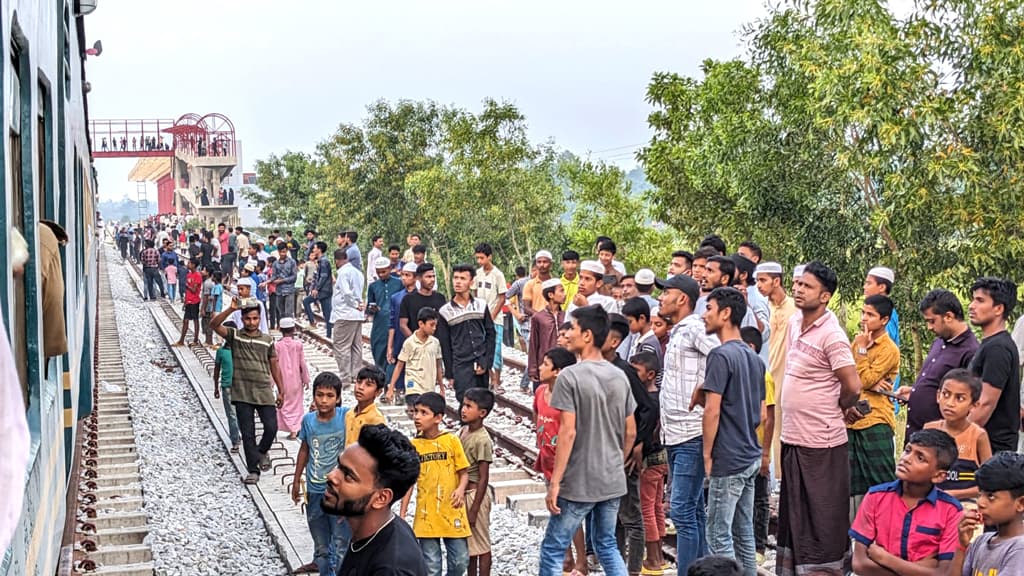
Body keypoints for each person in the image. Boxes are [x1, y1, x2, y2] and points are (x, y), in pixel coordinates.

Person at [776, 261, 862, 576]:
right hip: (794, 436)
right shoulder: (795, 323)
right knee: (796, 514)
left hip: (822, 441)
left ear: (825, 296)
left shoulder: (832, 334)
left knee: (821, 516)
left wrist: (840, 405)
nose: (798, 290)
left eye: (807, 286)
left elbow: (853, 385)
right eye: (797, 284)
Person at [539, 305, 637, 576]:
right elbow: (630, 430)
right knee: (607, 544)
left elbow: (568, 432)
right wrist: (617, 459)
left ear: (588, 335)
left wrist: (555, 481)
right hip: (611, 476)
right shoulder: (619, 375)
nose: (567, 333)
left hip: (580, 479)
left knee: (553, 546)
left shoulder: (570, 376)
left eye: (572, 328)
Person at [698, 287, 764, 575]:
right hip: (750, 453)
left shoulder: (720, 356)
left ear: (725, 314)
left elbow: (712, 410)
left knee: (718, 535)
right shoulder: (754, 359)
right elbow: (760, 414)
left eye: (709, 308)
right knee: (743, 532)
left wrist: (708, 454)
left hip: (729, 455)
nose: (704, 315)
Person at [656, 273, 718, 572]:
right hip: (676, 432)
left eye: (666, 293)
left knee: (680, 511)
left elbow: (723, 355)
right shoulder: (678, 331)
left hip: (692, 431)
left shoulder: (695, 328)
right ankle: (705, 569)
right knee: (693, 510)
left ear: (682, 298)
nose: (660, 298)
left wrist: (705, 387)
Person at [849, 429, 962, 576]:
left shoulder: (951, 510)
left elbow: (944, 573)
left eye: (920, 458)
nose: (906, 459)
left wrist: (885, 558)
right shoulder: (875, 497)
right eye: (907, 450)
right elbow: (860, 564)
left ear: (939, 476)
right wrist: (922, 569)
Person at [325, 422, 427, 576]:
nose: (331, 476)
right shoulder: (374, 528)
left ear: (381, 498)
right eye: (338, 466)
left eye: (348, 475)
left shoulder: (390, 569)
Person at [209, 297, 285, 484]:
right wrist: (230, 308)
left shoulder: (267, 340)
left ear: (260, 319)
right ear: (242, 319)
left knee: (271, 427)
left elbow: (274, 365)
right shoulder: (235, 336)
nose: (252, 322)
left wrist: (281, 390)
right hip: (242, 392)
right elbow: (214, 324)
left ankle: (260, 453)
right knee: (248, 432)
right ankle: (253, 471)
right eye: (248, 319)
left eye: (255, 318)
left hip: (263, 391)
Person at [605, 314, 656, 576]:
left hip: (623, 454)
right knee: (613, 515)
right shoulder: (601, 366)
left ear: (614, 341)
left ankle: (633, 569)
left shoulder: (624, 371)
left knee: (631, 516)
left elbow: (648, 408)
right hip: (607, 452)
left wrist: (638, 444)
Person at [400, 392, 471, 576]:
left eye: (424, 412)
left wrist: (461, 490)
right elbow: (410, 482)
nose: (417, 417)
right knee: (431, 566)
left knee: (460, 560)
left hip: (452, 509)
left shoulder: (451, 441)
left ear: (438, 417)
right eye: (416, 411)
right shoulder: (414, 445)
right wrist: (403, 511)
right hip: (426, 515)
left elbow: (464, 472)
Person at [292, 372, 352, 575]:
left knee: (341, 541)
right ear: (313, 396)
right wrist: (296, 480)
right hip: (314, 489)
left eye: (329, 395)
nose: (324, 400)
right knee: (321, 544)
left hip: (338, 493)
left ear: (338, 398)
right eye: (319, 395)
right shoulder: (308, 420)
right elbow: (304, 449)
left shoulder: (346, 417)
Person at [898, 289, 979, 438]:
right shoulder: (938, 342)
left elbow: (966, 397)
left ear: (948, 316)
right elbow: (938, 383)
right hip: (916, 432)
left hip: (939, 440)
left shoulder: (970, 351)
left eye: (932, 321)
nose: (929, 327)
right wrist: (915, 392)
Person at [847, 295, 901, 518]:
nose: (863, 319)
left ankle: (889, 523)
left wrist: (861, 353)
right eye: (863, 313)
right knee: (853, 481)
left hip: (876, 419)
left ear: (885, 319)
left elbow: (864, 381)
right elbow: (848, 374)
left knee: (881, 477)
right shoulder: (858, 341)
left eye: (870, 315)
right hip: (852, 419)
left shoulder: (888, 349)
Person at [967, 277, 1020, 454]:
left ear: (998, 308)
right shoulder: (990, 344)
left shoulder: (998, 348)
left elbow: (985, 403)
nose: (971, 306)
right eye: (973, 299)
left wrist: (957, 437)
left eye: (980, 300)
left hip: (992, 449)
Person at [951, 451, 1024, 576]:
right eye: (980, 494)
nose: (980, 502)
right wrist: (962, 546)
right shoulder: (981, 541)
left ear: (1021, 503)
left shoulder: (1019, 549)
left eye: (991, 496)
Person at [924, 369, 992, 501]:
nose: (950, 403)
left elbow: (989, 484)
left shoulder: (978, 436)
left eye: (959, 398)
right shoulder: (929, 429)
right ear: (938, 396)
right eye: (946, 394)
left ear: (974, 405)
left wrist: (953, 495)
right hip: (930, 501)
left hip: (965, 505)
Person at [628, 351, 668, 574]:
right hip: (662, 459)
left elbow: (644, 434)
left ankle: (652, 558)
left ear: (650, 374)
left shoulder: (647, 402)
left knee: (646, 509)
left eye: (637, 372)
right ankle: (659, 555)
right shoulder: (659, 397)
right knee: (656, 506)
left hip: (649, 462)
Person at [754, 261, 795, 477]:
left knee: (780, 426)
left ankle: (779, 479)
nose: (759, 285)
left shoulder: (795, 309)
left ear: (776, 281)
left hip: (786, 376)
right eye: (757, 281)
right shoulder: (763, 308)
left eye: (763, 280)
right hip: (765, 375)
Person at [739, 327, 774, 566]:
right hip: (740, 447)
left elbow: (769, 416)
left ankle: (759, 545)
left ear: (750, 347)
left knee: (760, 499)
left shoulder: (764, 376)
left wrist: (765, 453)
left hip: (757, 446)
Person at [438, 264, 496, 404]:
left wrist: (487, 362)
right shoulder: (445, 311)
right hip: (461, 365)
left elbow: (490, 334)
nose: (458, 282)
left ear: (471, 283)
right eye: (456, 278)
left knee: (481, 403)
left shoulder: (481, 305)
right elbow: (445, 345)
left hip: (481, 361)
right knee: (465, 402)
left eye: (463, 278)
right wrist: (450, 373)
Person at [459, 388, 495, 576]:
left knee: (481, 543)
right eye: (464, 405)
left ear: (482, 413)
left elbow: (484, 477)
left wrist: (474, 509)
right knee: (470, 546)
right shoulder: (464, 430)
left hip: (475, 495)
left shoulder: (482, 439)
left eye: (469, 406)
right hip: (464, 494)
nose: (463, 410)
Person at [387, 307, 444, 410]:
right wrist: (391, 388)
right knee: (417, 409)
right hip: (413, 384)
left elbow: (438, 366)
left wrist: (441, 388)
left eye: (435, 325)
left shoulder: (435, 343)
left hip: (429, 386)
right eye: (431, 325)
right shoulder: (409, 342)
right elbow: (399, 366)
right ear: (421, 324)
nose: (434, 328)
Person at [473, 244, 507, 391]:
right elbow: (474, 293)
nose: (480, 261)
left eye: (482, 258)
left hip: (495, 319)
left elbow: (502, 298)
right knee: (482, 348)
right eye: (478, 258)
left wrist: (492, 316)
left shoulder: (498, 275)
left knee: (496, 349)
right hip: (480, 317)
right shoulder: (477, 274)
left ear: (489, 257)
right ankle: (490, 377)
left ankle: (497, 381)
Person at [331, 248, 365, 384]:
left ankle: (345, 377)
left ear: (337, 261)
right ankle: (356, 374)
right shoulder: (358, 272)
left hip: (345, 314)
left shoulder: (343, 273)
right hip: (356, 315)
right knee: (356, 346)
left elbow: (346, 293)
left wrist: (354, 304)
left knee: (341, 346)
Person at [275, 317, 310, 440]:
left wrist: (271, 383)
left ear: (280, 329)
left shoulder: (277, 346)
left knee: (284, 404)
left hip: (282, 381)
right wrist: (306, 379)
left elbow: (274, 366)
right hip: (296, 380)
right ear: (294, 329)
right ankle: (295, 429)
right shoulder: (298, 345)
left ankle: (291, 429)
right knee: (296, 404)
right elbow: (302, 364)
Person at [527, 279, 566, 391]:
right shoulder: (538, 317)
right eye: (561, 291)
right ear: (551, 295)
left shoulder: (566, 315)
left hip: (563, 364)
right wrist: (533, 369)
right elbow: (534, 344)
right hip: (544, 363)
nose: (564, 294)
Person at [388, 262, 420, 395]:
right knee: (400, 363)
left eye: (408, 275)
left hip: (418, 338)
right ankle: (400, 391)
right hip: (400, 338)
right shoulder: (396, 298)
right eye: (403, 275)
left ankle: (413, 392)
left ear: (415, 277)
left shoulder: (421, 297)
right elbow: (392, 323)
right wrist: (390, 346)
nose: (404, 278)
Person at [367, 257, 402, 371]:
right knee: (378, 347)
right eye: (378, 272)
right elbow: (369, 306)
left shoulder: (399, 283)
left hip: (396, 321)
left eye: (383, 271)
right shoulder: (373, 286)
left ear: (390, 268)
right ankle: (381, 375)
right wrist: (372, 308)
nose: (381, 275)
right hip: (380, 323)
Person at [213, 320, 241, 452]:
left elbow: (216, 370)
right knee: (234, 414)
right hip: (231, 386)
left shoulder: (223, 351)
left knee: (233, 414)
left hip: (234, 385)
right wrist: (215, 387)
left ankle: (237, 440)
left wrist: (215, 386)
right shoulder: (223, 352)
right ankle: (236, 439)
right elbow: (216, 370)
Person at [346, 367, 387, 446]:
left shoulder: (376, 419)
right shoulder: (349, 414)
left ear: (378, 392)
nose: (361, 387)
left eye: (368, 385)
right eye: (359, 382)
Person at [303, 241, 334, 336]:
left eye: (315, 248)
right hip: (326, 290)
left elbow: (323, 277)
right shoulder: (322, 261)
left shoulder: (323, 261)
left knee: (306, 301)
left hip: (323, 291)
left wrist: (316, 288)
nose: (313, 250)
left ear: (319, 250)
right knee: (327, 313)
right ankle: (328, 334)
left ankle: (312, 322)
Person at [175, 259, 203, 347]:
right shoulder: (189, 274)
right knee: (185, 320)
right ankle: (181, 340)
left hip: (195, 301)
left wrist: (187, 286)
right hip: (189, 301)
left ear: (194, 265)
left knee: (195, 320)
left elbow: (194, 290)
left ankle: (195, 339)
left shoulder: (197, 275)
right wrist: (185, 301)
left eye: (189, 263)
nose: (188, 264)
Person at [270, 242, 299, 320]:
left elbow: (294, 277)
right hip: (279, 290)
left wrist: (282, 280)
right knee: (281, 312)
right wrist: (268, 282)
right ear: (278, 252)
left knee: (289, 312)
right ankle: (283, 328)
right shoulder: (275, 263)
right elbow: (274, 276)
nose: (283, 254)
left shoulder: (292, 262)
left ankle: (289, 329)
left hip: (289, 290)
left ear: (287, 251)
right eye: (281, 252)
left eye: (284, 252)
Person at [522, 250, 554, 318]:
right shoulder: (529, 284)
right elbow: (526, 308)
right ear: (536, 264)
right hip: (536, 324)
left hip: (555, 323)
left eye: (545, 262)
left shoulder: (556, 284)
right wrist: (541, 317)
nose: (542, 265)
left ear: (551, 264)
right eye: (539, 262)